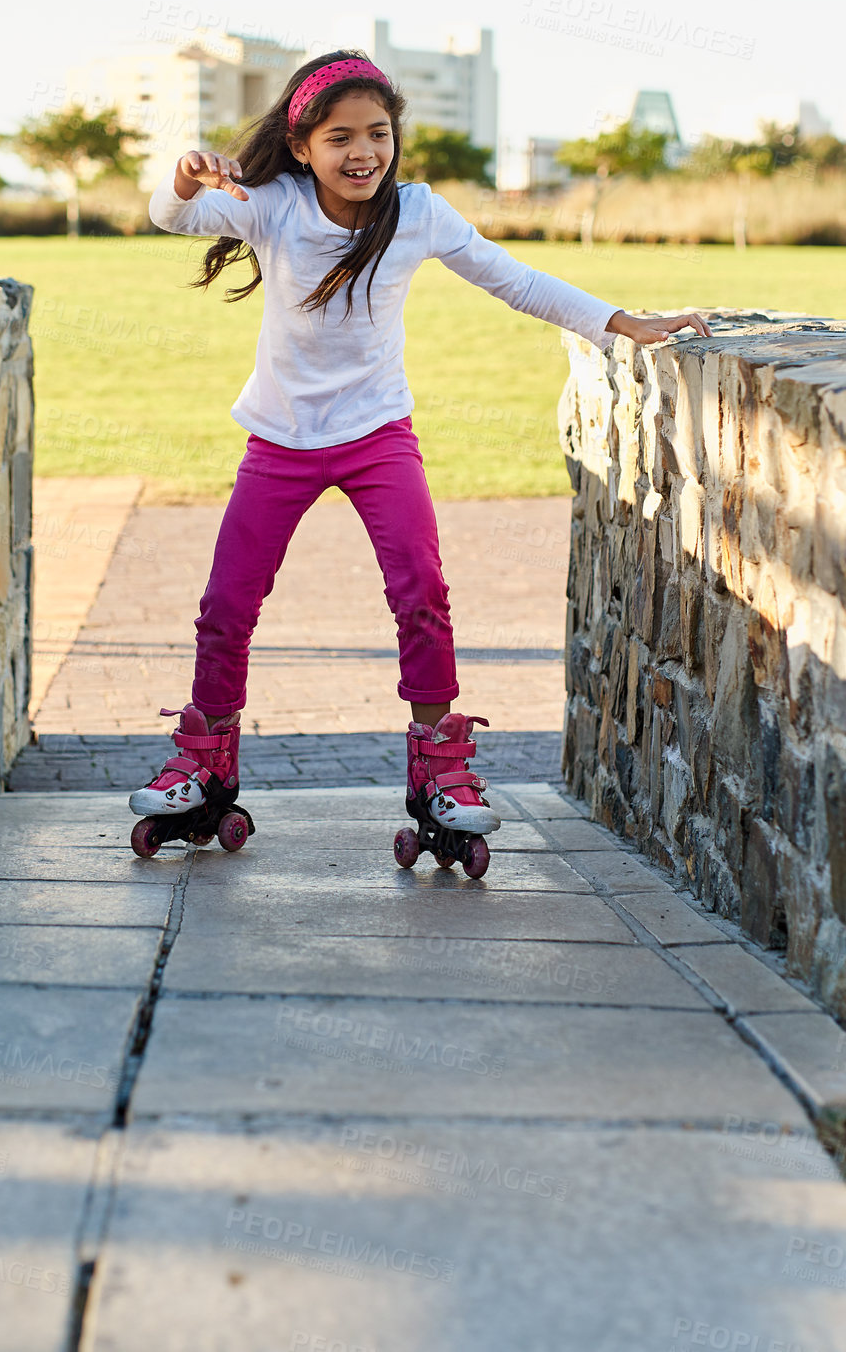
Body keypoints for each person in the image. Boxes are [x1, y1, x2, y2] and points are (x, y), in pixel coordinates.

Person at [128, 51, 710, 864]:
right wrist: (185, 176)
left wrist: (619, 321)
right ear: (302, 147)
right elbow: (168, 215)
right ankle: (203, 761)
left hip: (377, 438)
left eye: (377, 133)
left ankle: (440, 766)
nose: (362, 151)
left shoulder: (420, 213)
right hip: (281, 440)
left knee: (422, 590)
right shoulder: (273, 206)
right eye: (340, 137)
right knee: (227, 601)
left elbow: (514, 280)